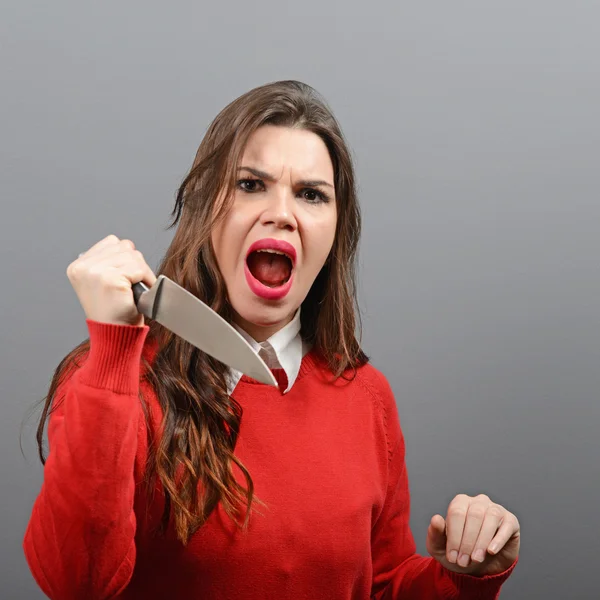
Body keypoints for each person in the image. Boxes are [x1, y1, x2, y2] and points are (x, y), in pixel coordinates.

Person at [23, 80, 520, 600]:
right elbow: (75, 583)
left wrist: (466, 576)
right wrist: (111, 353)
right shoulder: (116, 379)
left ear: (334, 232)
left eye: (310, 194)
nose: (282, 212)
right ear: (205, 208)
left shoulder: (368, 397)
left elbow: (382, 585)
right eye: (250, 184)